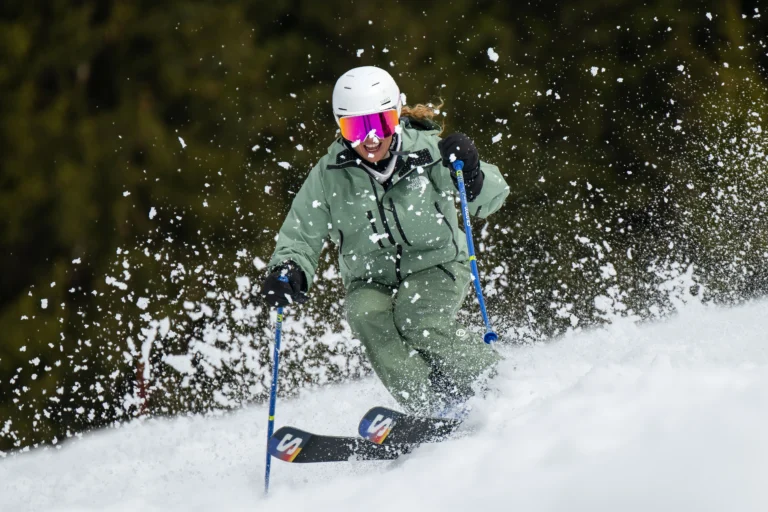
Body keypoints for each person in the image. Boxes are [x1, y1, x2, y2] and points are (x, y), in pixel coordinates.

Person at [261, 66, 510, 417]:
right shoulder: (329, 174)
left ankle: (496, 382)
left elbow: (490, 199)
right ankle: (433, 407)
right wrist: (289, 269)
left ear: (395, 115)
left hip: (436, 263)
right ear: (341, 128)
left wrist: (472, 173)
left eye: (379, 123)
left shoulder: (427, 152)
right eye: (356, 128)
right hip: (369, 277)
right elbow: (301, 231)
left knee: (417, 317)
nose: (371, 138)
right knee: (365, 315)